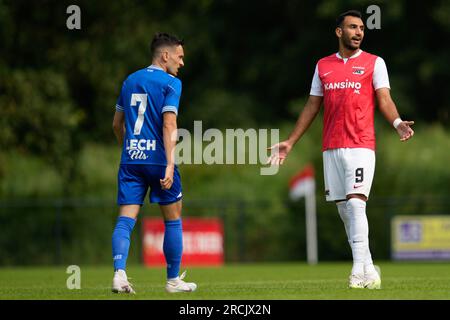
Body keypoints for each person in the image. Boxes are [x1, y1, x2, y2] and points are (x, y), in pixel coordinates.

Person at [268, 10, 414, 289]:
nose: (359, 32)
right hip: (331, 148)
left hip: (361, 145)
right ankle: (370, 268)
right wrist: (290, 141)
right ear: (339, 32)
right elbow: (312, 105)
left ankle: (358, 272)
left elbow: (384, 99)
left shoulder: (375, 63)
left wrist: (396, 123)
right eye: (352, 27)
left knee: (357, 204)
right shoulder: (323, 65)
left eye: (361, 28)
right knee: (345, 210)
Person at [111, 32, 196, 293]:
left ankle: (119, 275)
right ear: (165, 55)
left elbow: (117, 124)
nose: (182, 63)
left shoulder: (130, 80)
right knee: (173, 218)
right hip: (159, 161)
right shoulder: (171, 83)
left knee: (125, 220)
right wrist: (170, 164)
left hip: (131, 159)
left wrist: (129, 149)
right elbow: (169, 123)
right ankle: (172, 281)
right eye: (180, 57)